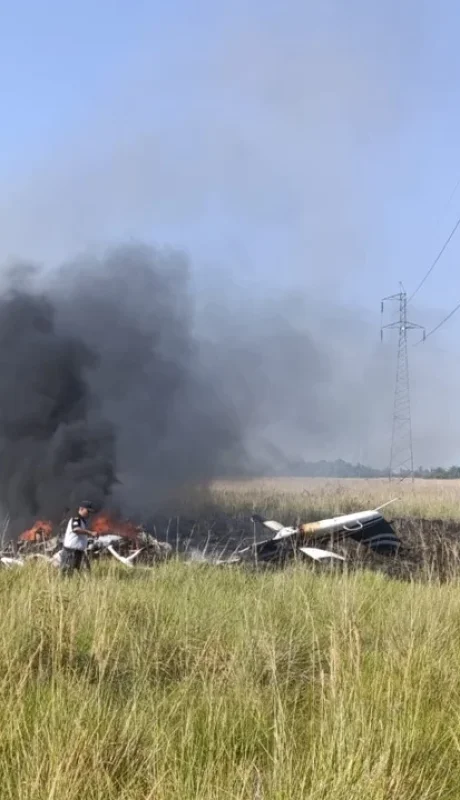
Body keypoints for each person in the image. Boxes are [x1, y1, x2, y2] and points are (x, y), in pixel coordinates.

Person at [60, 501, 97, 575]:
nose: (89, 514)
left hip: (79, 552)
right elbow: (76, 529)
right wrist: (90, 533)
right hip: (70, 553)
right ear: (81, 509)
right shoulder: (76, 518)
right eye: (88, 511)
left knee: (85, 573)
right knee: (67, 575)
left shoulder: (82, 521)